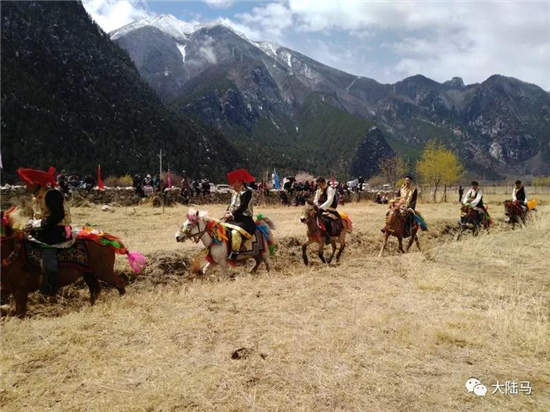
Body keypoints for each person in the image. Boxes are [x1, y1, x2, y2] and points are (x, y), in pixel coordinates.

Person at [18, 167, 72, 296]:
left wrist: (40, 224)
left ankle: (51, 288)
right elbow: (37, 216)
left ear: (35, 183)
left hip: (56, 231)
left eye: (27, 183)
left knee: (48, 257)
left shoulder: (51, 194)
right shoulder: (36, 197)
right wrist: (30, 224)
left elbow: (58, 215)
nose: (25, 186)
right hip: (42, 230)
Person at [224, 169, 256, 260]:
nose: (232, 185)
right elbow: (231, 205)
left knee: (235, 233)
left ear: (240, 182)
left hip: (245, 220)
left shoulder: (248, 192)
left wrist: (231, 214)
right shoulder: (234, 192)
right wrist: (227, 212)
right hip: (233, 219)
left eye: (234, 182)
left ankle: (235, 253)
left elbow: (243, 207)